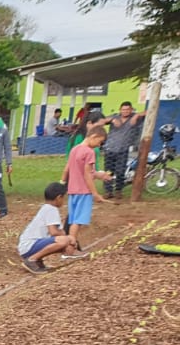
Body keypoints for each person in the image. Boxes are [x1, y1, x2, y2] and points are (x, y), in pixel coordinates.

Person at [61, 125, 110, 258]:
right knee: (77, 221)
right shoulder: (89, 152)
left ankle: (68, 248)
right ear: (94, 136)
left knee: (73, 219)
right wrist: (95, 193)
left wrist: (62, 182)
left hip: (72, 190)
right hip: (83, 191)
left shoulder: (74, 149)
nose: (99, 145)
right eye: (100, 142)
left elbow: (69, 169)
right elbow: (87, 175)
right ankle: (70, 250)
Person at [18, 182, 74, 273]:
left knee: (64, 242)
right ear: (58, 197)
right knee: (64, 240)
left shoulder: (46, 208)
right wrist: (67, 236)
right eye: (64, 197)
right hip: (29, 245)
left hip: (26, 246)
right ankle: (32, 260)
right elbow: (53, 232)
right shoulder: (52, 209)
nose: (64, 200)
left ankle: (38, 260)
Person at [103, 102, 147, 198]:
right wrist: (112, 119)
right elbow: (102, 120)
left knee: (120, 171)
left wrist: (137, 115)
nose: (125, 111)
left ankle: (118, 190)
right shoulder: (115, 116)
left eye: (128, 109)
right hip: (110, 148)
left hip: (123, 149)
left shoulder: (135, 118)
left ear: (131, 110)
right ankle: (108, 191)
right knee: (108, 171)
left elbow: (148, 112)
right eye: (123, 109)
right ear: (120, 110)